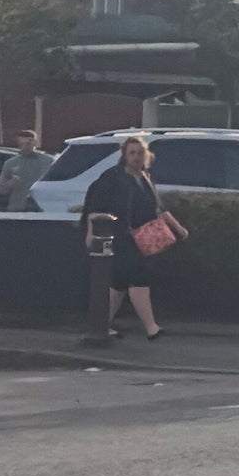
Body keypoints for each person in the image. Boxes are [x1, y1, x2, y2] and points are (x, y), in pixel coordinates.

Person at [81, 131, 181, 343]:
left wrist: (178, 228)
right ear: (124, 155)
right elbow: (95, 206)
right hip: (122, 236)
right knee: (138, 279)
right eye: (131, 153)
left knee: (118, 285)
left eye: (139, 153)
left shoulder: (144, 177)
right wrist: (91, 233)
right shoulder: (113, 177)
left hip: (142, 238)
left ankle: (101, 325)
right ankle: (151, 328)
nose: (136, 157)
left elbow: (158, 208)